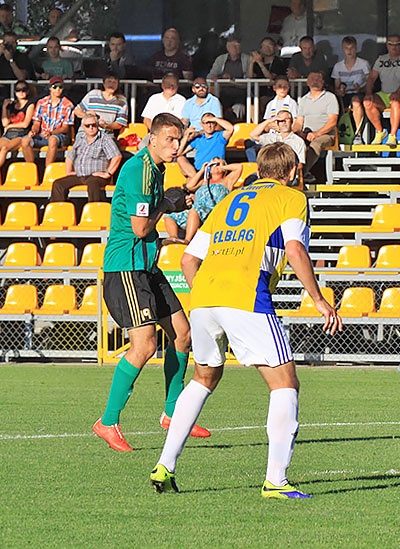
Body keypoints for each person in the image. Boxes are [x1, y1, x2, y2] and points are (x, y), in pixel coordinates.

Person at [149, 141, 342, 498]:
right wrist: (318, 299)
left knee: (204, 377)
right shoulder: (291, 198)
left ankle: (164, 464)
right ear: (292, 171)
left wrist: (209, 295)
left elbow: (188, 259)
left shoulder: (227, 200)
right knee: (284, 383)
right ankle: (276, 481)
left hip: (205, 298)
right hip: (247, 296)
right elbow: (296, 248)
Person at [93, 113, 208, 453]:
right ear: (152, 138)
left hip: (146, 265)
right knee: (143, 346)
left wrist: (168, 205)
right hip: (126, 268)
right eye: (171, 139)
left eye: (180, 139)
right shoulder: (141, 170)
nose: (177, 146)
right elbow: (141, 228)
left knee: (183, 334)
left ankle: (172, 414)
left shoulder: (156, 169)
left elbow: (149, 224)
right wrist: (168, 203)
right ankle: (108, 421)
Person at [49, 111, 122, 218]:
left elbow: (117, 156)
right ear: (83, 127)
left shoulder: (105, 139)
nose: (91, 128)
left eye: (94, 125)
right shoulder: (80, 139)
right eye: (88, 126)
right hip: (80, 174)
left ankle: (95, 216)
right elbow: (70, 156)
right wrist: (69, 171)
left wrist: (108, 173)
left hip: (97, 176)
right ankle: (58, 217)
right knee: (58, 184)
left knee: (93, 183)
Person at [163, 157, 243, 244]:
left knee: (194, 211)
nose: (215, 166)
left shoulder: (226, 181)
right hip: (196, 211)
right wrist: (202, 170)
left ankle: (187, 240)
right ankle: (174, 237)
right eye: (212, 165)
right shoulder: (204, 182)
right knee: (169, 213)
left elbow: (239, 167)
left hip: (212, 212)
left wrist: (222, 167)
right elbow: (189, 186)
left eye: (218, 164)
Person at [363, 34, 400, 148]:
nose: (394, 47)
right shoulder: (381, 59)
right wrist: (368, 93)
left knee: (395, 102)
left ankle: (393, 135)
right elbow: (372, 78)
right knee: (367, 102)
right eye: (391, 44)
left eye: (397, 44)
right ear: (387, 45)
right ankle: (380, 131)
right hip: (384, 93)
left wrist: (398, 92)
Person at [295, 70, 338, 177]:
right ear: (307, 82)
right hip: (306, 134)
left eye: (318, 79)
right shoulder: (304, 100)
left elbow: (332, 121)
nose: (315, 82)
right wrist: (293, 132)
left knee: (316, 144)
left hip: (326, 135)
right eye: (312, 79)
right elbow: (299, 122)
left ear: (323, 82)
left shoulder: (330, 97)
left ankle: (301, 174)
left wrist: (317, 134)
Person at [21, 77, 73, 166]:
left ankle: (47, 170)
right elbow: (37, 122)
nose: (58, 89)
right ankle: (31, 169)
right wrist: (34, 131)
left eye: (60, 87)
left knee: (52, 140)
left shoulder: (68, 104)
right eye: (55, 86)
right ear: (50, 88)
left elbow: (65, 128)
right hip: (42, 134)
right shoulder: (41, 102)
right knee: (25, 140)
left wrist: (52, 133)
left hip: (59, 135)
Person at [332, 35, 369, 142]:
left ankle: (358, 134)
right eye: (346, 48)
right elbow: (336, 87)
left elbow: (370, 83)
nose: (349, 51)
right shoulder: (338, 66)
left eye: (351, 48)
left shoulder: (363, 64)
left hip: (360, 94)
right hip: (344, 96)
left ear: (356, 48)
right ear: (343, 49)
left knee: (356, 101)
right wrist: (340, 90)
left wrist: (361, 89)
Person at [246, 109, 306, 174]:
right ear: (277, 123)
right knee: (250, 178)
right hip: (269, 173)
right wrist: (269, 120)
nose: (284, 122)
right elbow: (253, 135)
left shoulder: (298, 141)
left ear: (291, 122)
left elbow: (300, 164)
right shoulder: (272, 137)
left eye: (286, 119)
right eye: (280, 120)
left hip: (286, 174)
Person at [208, 36, 250, 121]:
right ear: (227, 47)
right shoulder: (221, 59)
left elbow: (250, 78)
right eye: (232, 45)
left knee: (239, 108)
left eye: (237, 45)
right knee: (216, 105)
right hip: (223, 93)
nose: (234, 48)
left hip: (242, 93)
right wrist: (221, 77)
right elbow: (210, 76)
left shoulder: (247, 59)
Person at [75, 72, 128, 137]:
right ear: (104, 83)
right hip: (86, 132)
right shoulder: (93, 94)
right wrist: (88, 116)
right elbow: (77, 111)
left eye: (114, 82)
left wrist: (106, 126)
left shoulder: (121, 101)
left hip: (106, 134)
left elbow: (119, 124)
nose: (111, 84)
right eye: (109, 81)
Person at [0, 80, 34, 170]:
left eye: (24, 89)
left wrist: (10, 126)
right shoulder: (11, 105)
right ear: (15, 92)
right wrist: (4, 107)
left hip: (20, 135)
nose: (21, 92)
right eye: (18, 90)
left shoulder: (30, 104)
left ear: (28, 91)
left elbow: (25, 124)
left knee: (4, 149)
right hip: (7, 135)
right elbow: (5, 123)